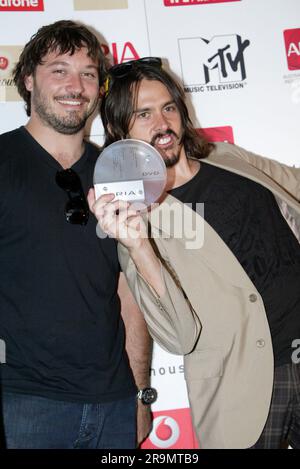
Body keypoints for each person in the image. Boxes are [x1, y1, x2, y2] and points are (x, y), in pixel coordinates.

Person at [88, 57, 300, 449]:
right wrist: (138, 246)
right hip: (245, 389)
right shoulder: (135, 221)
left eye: (168, 107)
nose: (162, 123)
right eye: (144, 114)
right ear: (120, 130)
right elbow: (179, 336)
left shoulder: (228, 157)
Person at [0, 21, 153, 449]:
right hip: (22, 405)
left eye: (88, 73)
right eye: (60, 69)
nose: (76, 84)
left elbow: (131, 292)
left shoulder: (120, 173)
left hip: (115, 406)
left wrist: (140, 393)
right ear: (28, 79)